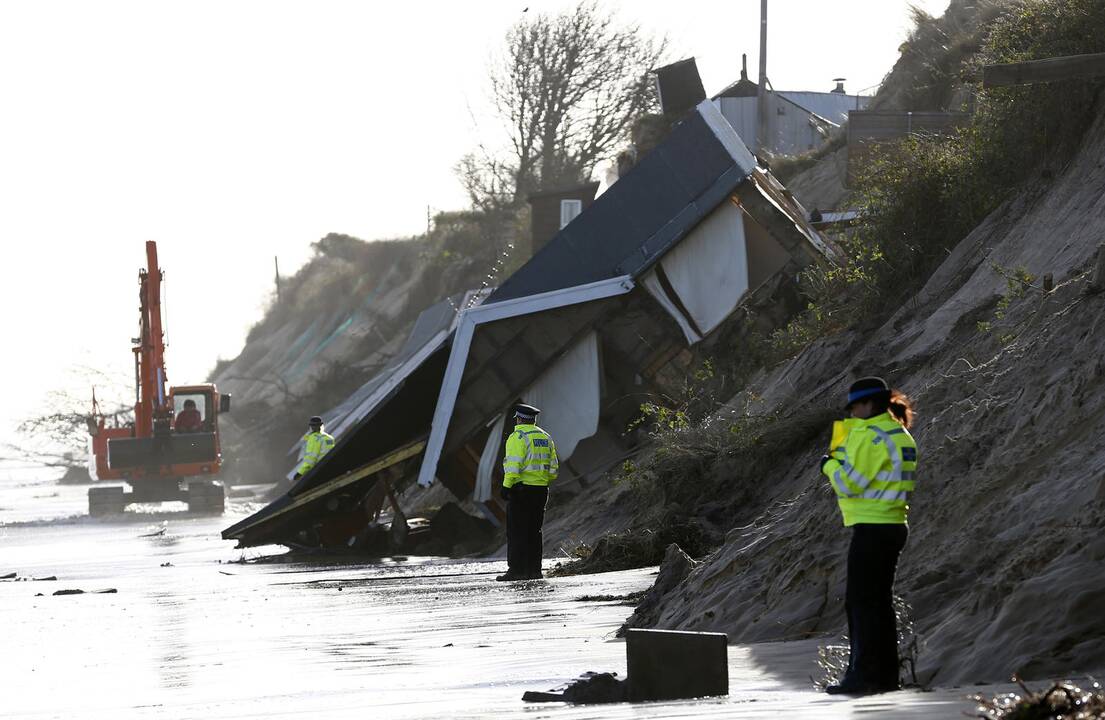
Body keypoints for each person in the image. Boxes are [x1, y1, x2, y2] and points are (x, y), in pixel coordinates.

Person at [820, 377, 918, 695]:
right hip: (893, 524)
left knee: (861, 604)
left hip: (873, 527)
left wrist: (829, 467)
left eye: (855, 406)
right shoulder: (898, 433)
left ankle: (863, 677)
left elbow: (850, 484)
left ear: (869, 404)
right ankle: (884, 676)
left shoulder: (872, 435)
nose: (851, 413)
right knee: (878, 604)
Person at [497, 403, 558, 582]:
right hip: (541, 491)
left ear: (518, 418)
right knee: (534, 531)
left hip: (521, 491)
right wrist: (541, 481)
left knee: (517, 532)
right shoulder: (546, 437)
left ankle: (516, 571)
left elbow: (513, 466)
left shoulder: (517, 436)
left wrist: (506, 487)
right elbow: (554, 469)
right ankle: (534, 571)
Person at [293, 416, 335, 482]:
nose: (312, 427)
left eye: (313, 425)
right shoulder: (329, 437)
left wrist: (300, 473)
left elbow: (311, 459)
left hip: (319, 469)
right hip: (331, 467)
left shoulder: (314, 438)